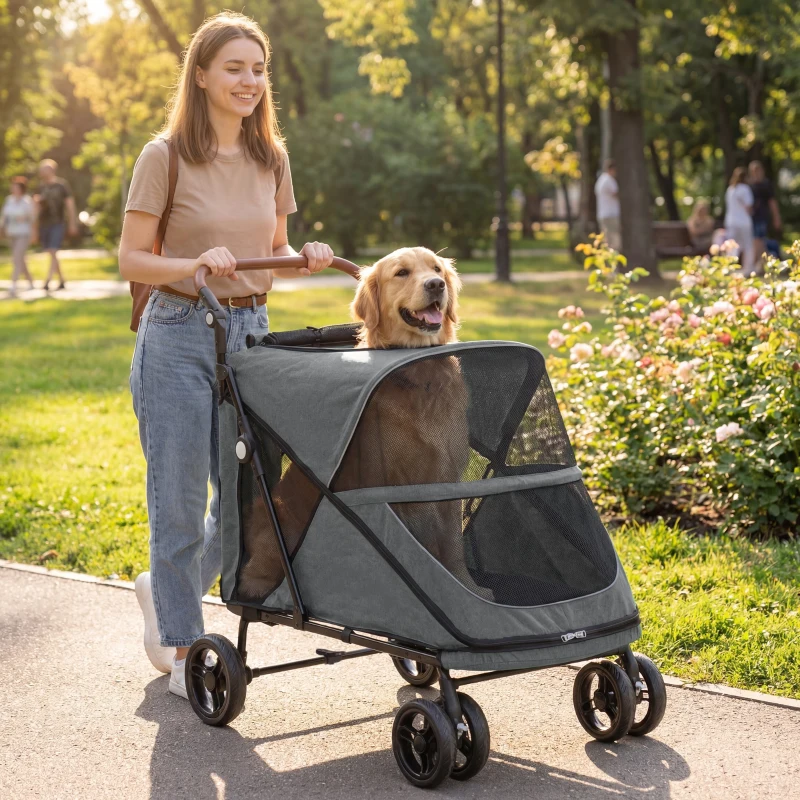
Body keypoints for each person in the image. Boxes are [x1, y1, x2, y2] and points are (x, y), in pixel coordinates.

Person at [118, 12, 335, 700]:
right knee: (179, 499)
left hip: (250, 334)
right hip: (179, 334)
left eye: (258, 68)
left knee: (244, 495)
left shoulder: (273, 157)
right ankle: (182, 646)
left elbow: (271, 246)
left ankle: (164, 585)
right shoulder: (165, 156)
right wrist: (191, 263)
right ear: (203, 75)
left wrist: (305, 256)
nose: (249, 80)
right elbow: (131, 258)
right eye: (234, 68)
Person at [36, 158, 78, 290]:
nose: (42, 171)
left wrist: (73, 223)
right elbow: (35, 206)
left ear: (52, 170)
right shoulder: (40, 187)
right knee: (51, 252)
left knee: (53, 250)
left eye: (44, 168)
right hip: (44, 223)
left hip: (58, 222)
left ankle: (47, 281)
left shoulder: (61, 185)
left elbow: (70, 205)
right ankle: (61, 280)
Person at [0, 177, 36, 296]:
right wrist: (1, 228)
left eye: (16, 187)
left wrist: (25, 218)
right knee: (20, 259)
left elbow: (33, 217)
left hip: (23, 233)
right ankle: (31, 282)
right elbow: (4, 216)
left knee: (16, 257)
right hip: (12, 233)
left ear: (21, 189)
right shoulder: (9, 200)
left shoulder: (27, 201)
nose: (13, 189)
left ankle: (14, 284)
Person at [748, 160, 782, 271]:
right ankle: (765, 264)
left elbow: (772, 202)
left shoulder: (766, 185)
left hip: (761, 217)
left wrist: (776, 217)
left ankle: (760, 264)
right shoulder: (750, 185)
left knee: (759, 240)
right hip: (750, 218)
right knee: (756, 242)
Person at [724, 167, 754, 273]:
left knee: (731, 245)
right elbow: (748, 207)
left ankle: (729, 267)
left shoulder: (730, 189)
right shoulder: (745, 189)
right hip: (744, 222)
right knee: (748, 246)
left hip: (731, 221)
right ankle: (748, 269)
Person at [594, 159, 621, 251]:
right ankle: (614, 264)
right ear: (612, 169)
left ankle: (608, 263)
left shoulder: (601, 179)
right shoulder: (609, 180)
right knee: (614, 243)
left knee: (607, 241)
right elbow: (616, 194)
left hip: (603, 214)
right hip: (611, 215)